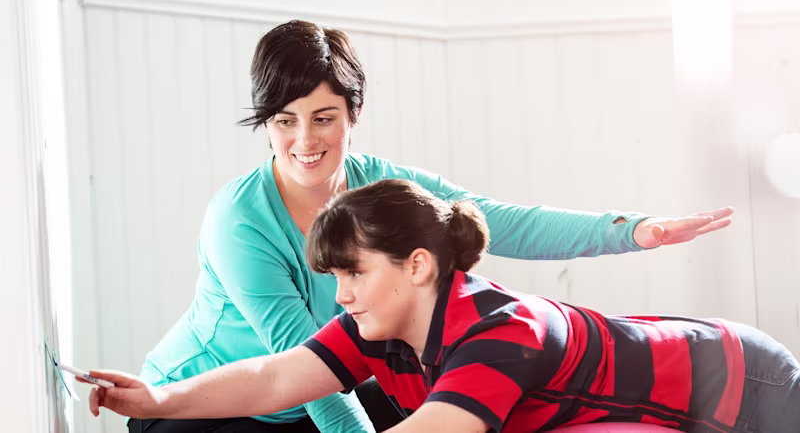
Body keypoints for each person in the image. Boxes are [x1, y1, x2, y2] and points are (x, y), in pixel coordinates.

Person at [131, 19, 735, 432]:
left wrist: (631, 230)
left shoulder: (380, 187)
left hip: (308, 396)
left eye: (323, 117)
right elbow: (301, 366)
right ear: (267, 123)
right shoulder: (239, 220)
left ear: (354, 113)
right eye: (285, 121)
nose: (305, 140)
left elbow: (497, 220)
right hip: (204, 406)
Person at [83, 179, 798, 433]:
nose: (342, 295)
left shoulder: (500, 335)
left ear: (418, 265)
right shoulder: (379, 328)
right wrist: (158, 399)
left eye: (353, 273)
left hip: (743, 386)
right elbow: (274, 379)